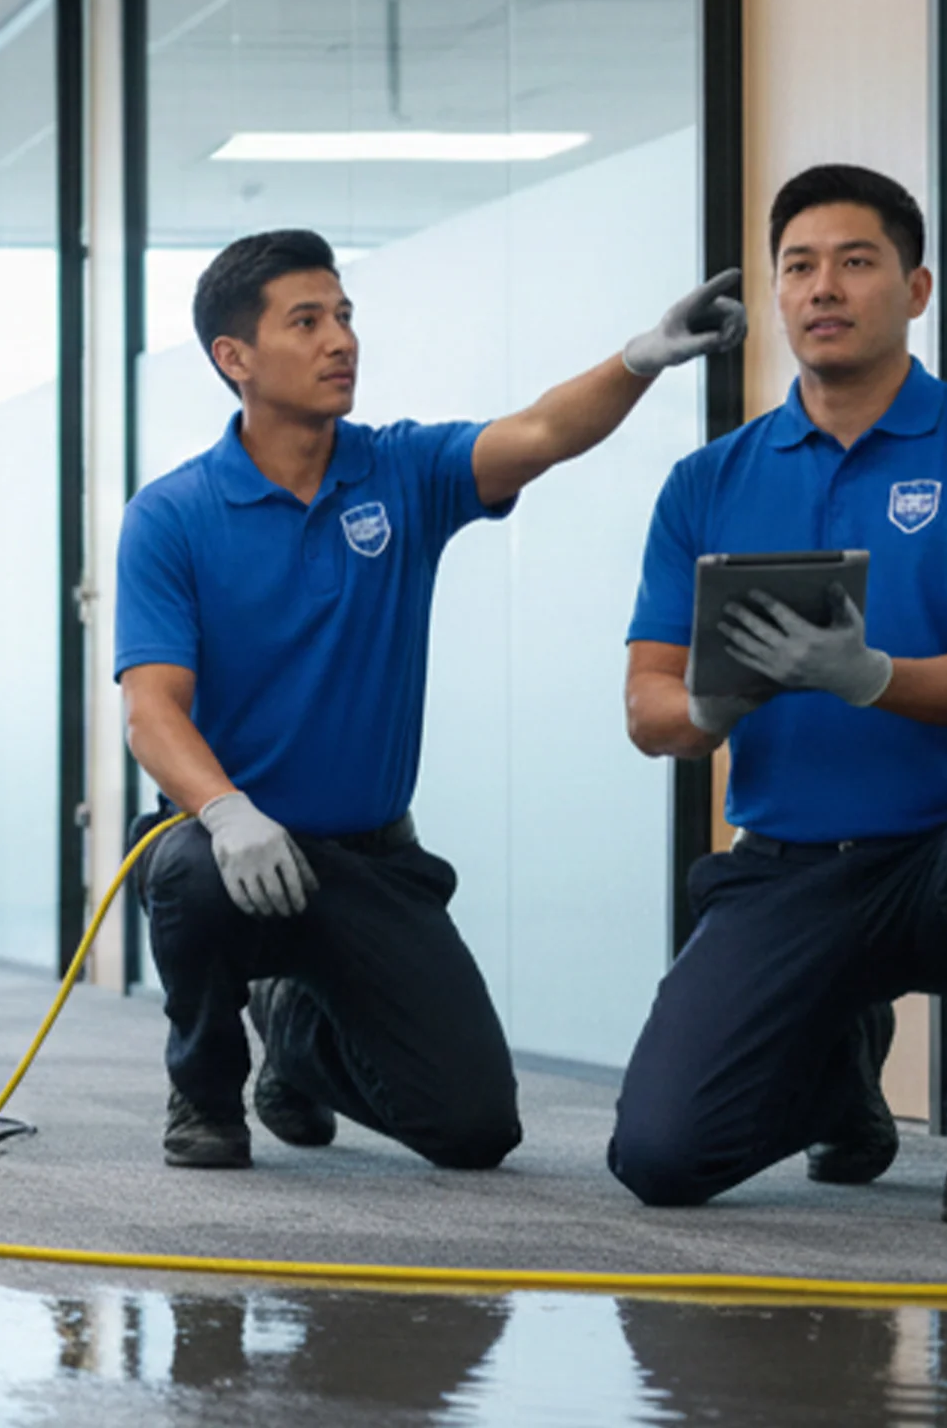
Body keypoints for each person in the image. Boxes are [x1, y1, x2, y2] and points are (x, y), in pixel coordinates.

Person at [117, 229, 745, 1171]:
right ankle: (205, 1093)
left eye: (344, 317)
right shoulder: (173, 515)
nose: (342, 340)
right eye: (308, 321)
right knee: (188, 874)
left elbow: (536, 434)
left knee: (474, 1128)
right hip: (239, 848)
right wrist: (225, 809)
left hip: (374, 862)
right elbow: (151, 710)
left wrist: (639, 360)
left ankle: (296, 1039)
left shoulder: (402, 474)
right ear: (234, 358)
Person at [609, 164, 947, 1223]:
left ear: (916, 289)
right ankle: (834, 1070)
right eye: (798, 267)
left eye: (856, 263)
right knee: (661, 1159)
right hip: (792, 866)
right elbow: (648, 713)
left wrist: (870, 678)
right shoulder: (710, 481)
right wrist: (717, 705)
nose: (823, 289)